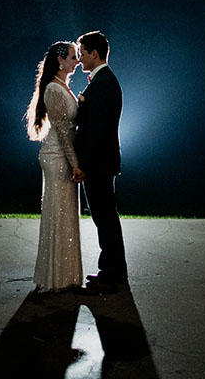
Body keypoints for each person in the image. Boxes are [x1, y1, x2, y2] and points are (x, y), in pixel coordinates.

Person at [25, 40, 84, 291]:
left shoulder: (64, 87)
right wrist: (75, 164)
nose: (77, 61)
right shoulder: (53, 90)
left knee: (66, 213)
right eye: (73, 57)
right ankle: (56, 277)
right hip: (57, 156)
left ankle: (66, 274)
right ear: (60, 61)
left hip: (63, 154)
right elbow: (61, 131)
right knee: (58, 212)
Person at [73, 30, 128, 293]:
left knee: (105, 219)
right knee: (106, 218)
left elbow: (97, 130)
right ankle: (113, 272)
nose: (81, 58)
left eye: (82, 53)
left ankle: (111, 276)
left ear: (94, 53)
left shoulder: (103, 83)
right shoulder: (103, 81)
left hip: (99, 164)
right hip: (102, 162)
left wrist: (84, 164)